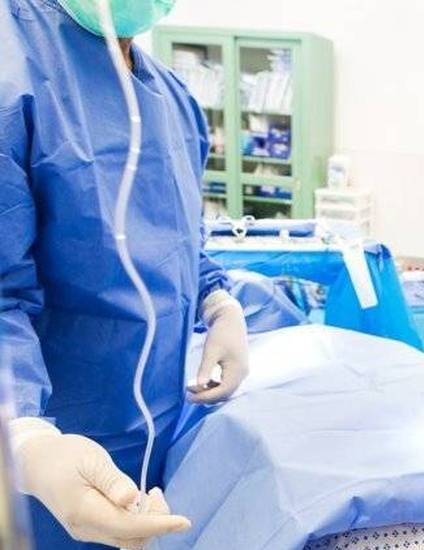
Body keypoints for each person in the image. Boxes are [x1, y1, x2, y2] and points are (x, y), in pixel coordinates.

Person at [0, 0, 250, 548]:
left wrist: (218, 303)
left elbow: (178, 236)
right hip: (40, 470)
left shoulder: (172, 100)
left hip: (152, 442)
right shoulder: (11, 77)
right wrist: (26, 440)